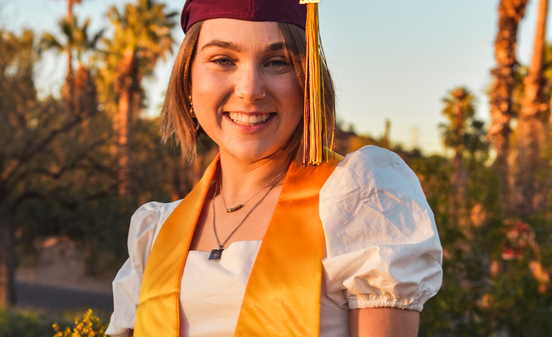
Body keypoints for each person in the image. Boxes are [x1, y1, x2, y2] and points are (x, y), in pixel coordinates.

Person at [106, 0, 443, 336]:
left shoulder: (359, 203)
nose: (250, 90)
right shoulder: (155, 231)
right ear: (188, 79)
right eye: (223, 60)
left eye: (277, 62)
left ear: (308, 80)